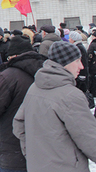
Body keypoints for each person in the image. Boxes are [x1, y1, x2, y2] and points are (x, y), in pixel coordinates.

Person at [13, 41, 96, 172]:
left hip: (37, 166)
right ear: (65, 63)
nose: (81, 66)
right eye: (77, 61)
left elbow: (19, 125)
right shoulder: (70, 95)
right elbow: (90, 139)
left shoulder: (34, 88)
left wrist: (33, 155)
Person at [0, 34, 45, 172]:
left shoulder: (8, 76)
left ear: (13, 56)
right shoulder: (47, 72)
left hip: (13, 146)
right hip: (45, 148)